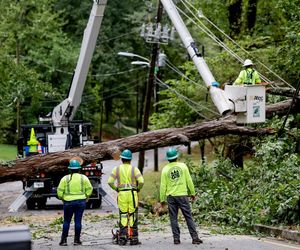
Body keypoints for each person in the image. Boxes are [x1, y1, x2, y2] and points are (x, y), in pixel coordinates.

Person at [160, 148, 202, 245]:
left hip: (171, 197)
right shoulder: (183, 166)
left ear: (168, 158)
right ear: (176, 156)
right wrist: (192, 193)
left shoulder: (165, 169)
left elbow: (163, 186)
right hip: (182, 195)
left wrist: (162, 199)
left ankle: (176, 239)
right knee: (188, 217)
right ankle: (195, 237)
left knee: (173, 218)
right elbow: (189, 180)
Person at [108, 149, 144, 246]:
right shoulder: (134, 169)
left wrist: (116, 189)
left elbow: (110, 182)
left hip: (122, 195)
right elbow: (141, 181)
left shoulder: (117, 169)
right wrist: (137, 189)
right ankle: (133, 238)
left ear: (122, 159)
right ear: (130, 160)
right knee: (133, 215)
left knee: (123, 215)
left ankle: (123, 238)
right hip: (132, 194)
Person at [57, 158, 93, 246]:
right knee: (78, 221)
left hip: (68, 202)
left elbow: (59, 192)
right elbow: (90, 189)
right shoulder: (83, 178)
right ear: (79, 169)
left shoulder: (65, 179)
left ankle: (64, 240)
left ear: (70, 169)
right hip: (81, 202)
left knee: (66, 221)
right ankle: (77, 240)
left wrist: (62, 198)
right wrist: (87, 196)